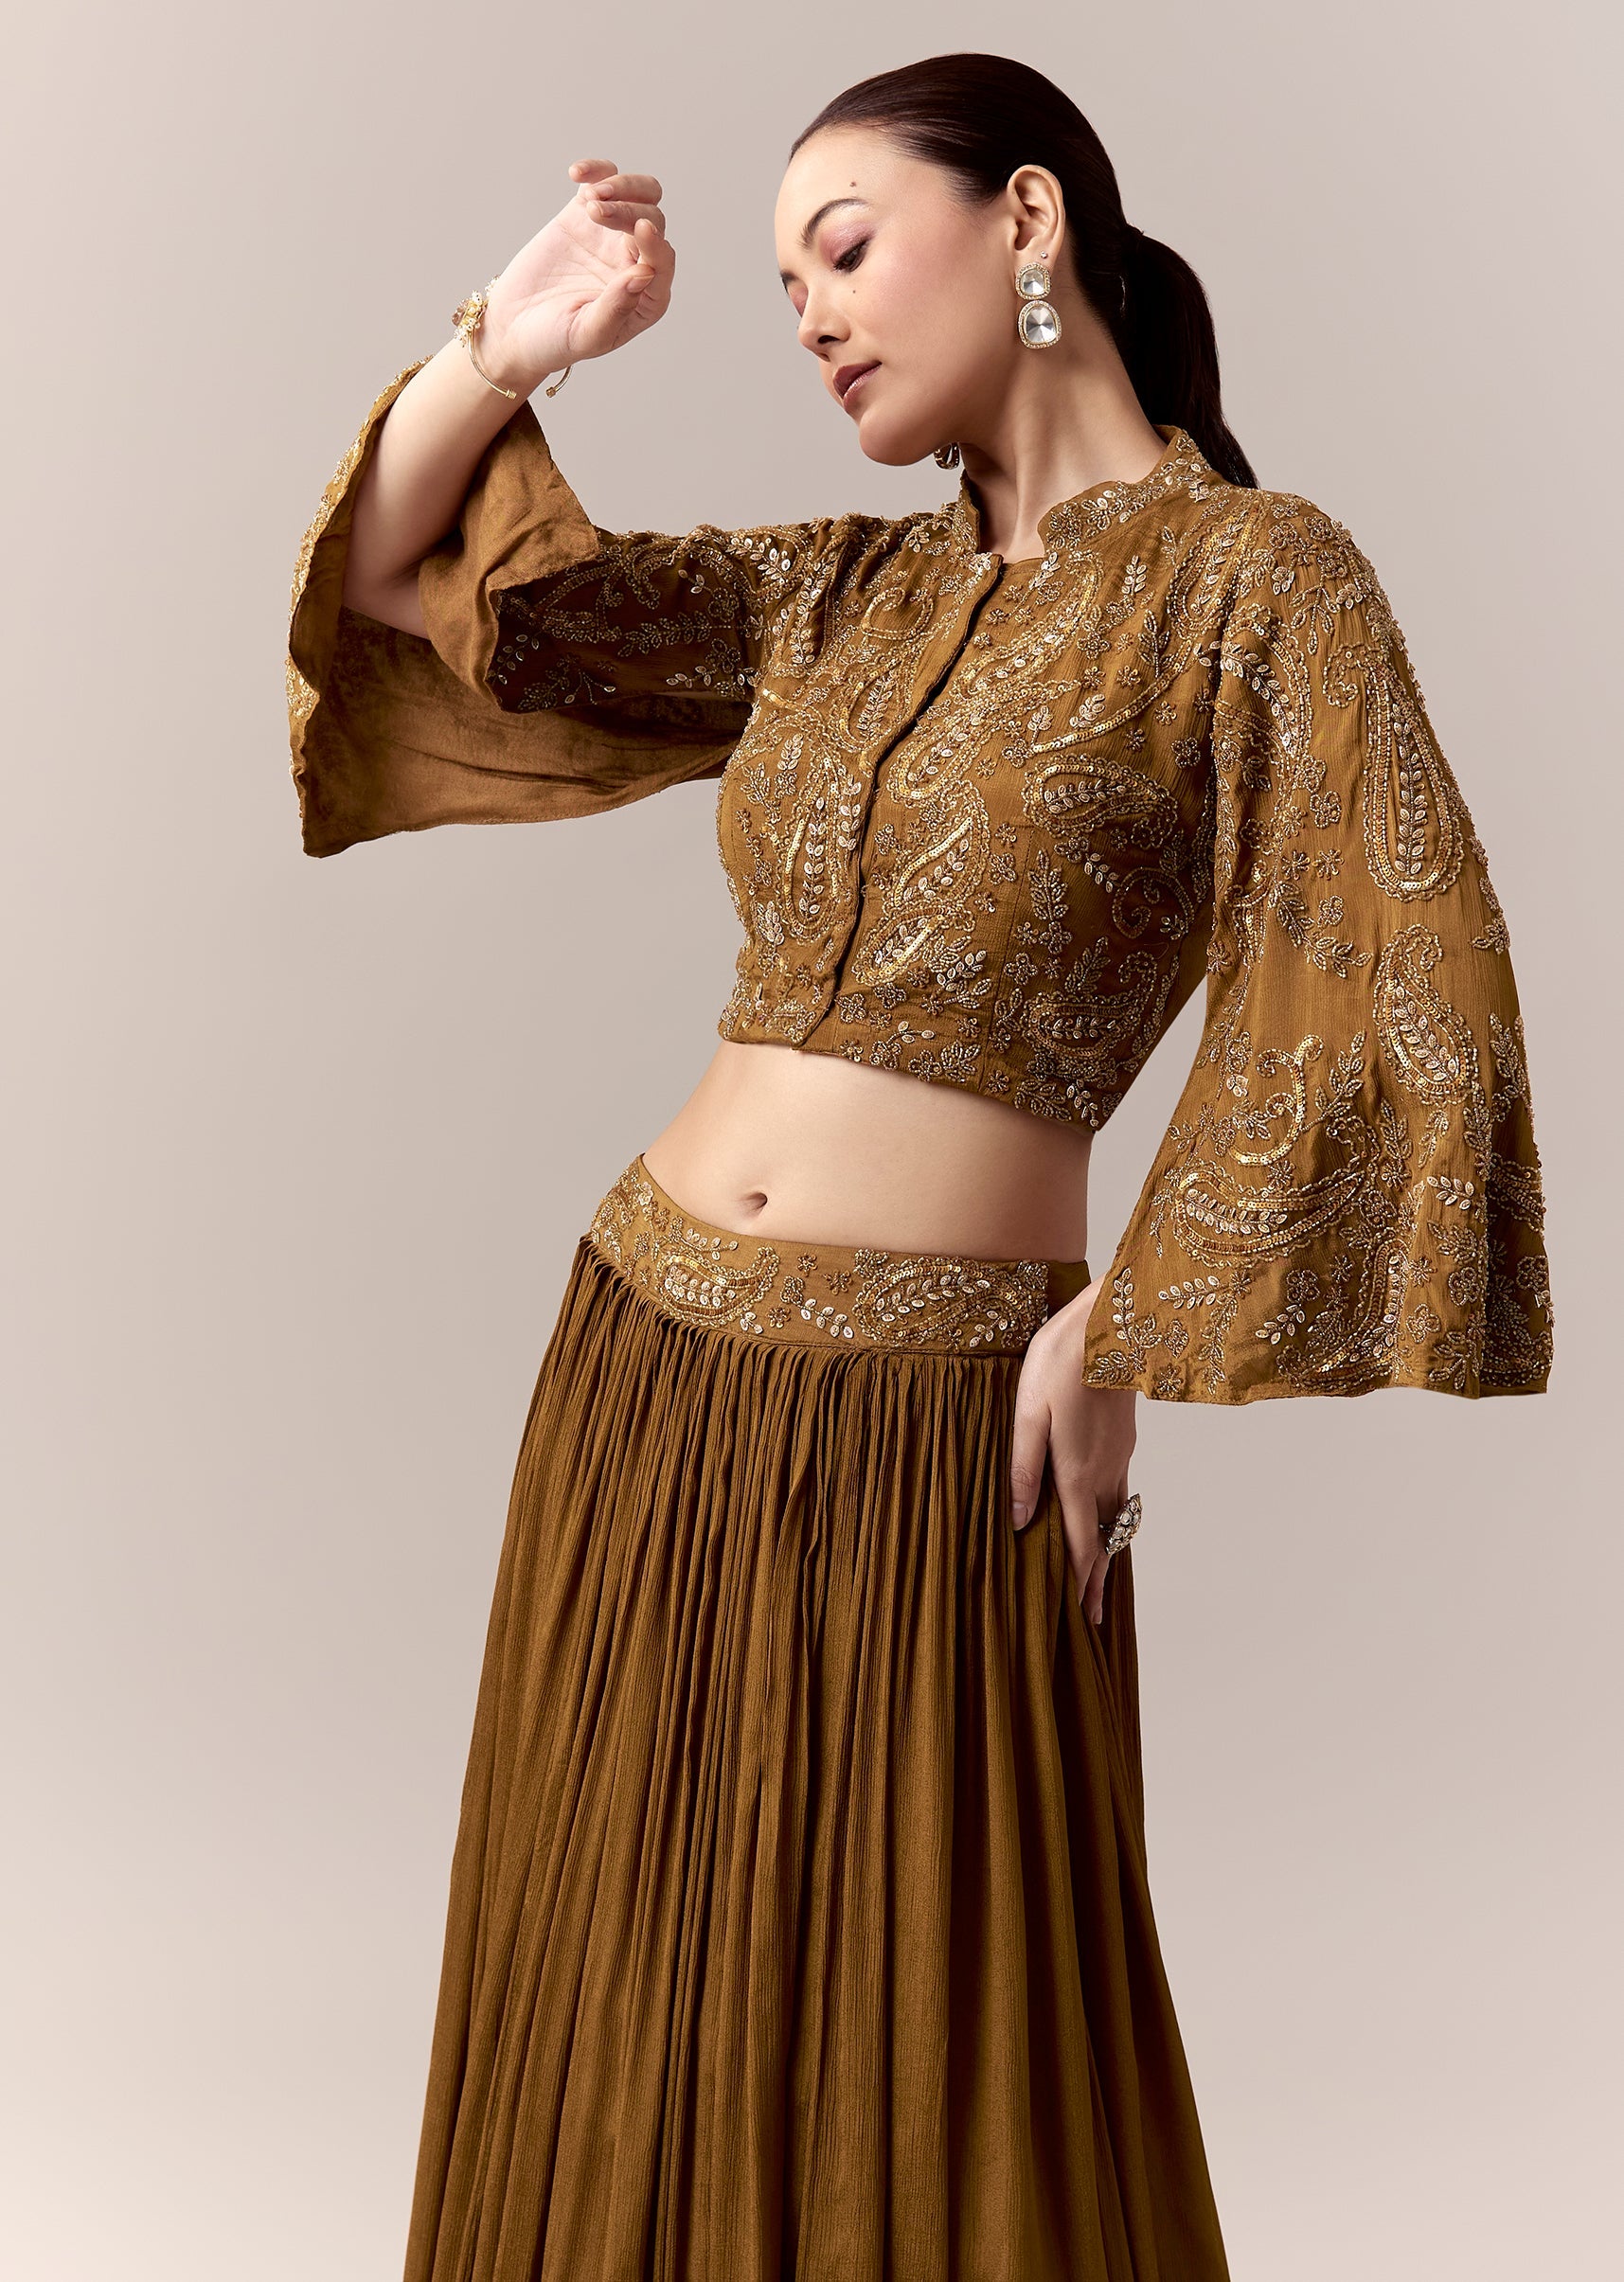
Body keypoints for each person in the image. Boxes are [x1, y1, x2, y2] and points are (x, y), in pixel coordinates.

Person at [284, 51, 1551, 2282]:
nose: (812, 312)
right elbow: (405, 578)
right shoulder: (836, 594)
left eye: (847, 248)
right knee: (615, 1992)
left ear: (1029, 221)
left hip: (934, 1419)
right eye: (786, 282)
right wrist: (517, 332)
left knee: (934, 2036)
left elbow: (1401, 960)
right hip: (643, 1372)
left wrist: (1132, 1314)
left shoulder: (1253, 583)